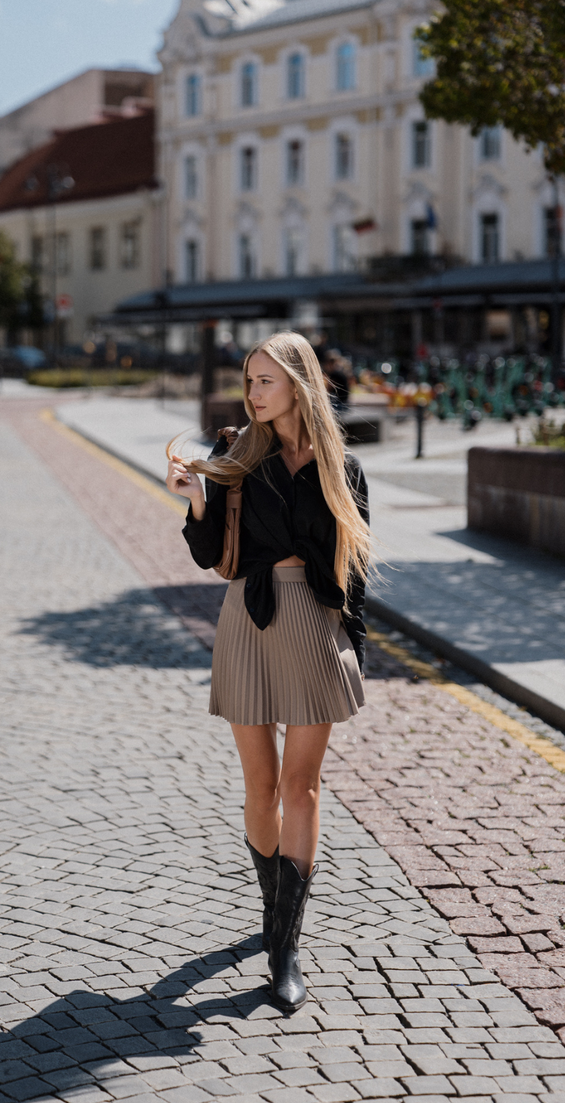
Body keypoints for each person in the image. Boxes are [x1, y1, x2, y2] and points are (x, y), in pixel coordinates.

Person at [166, 331, 370, 1013]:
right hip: (247, 621)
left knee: (301, 786)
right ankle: (270, 907)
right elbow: (205, 553)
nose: (251, 393)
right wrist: (196, 501)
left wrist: (352, 649)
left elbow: (355, 569)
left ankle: (285, 942)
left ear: (297, 384)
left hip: (314, 622)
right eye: (248, 380)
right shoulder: (236, 456)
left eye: (263, 381)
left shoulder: (342, 466)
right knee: (260, 783)